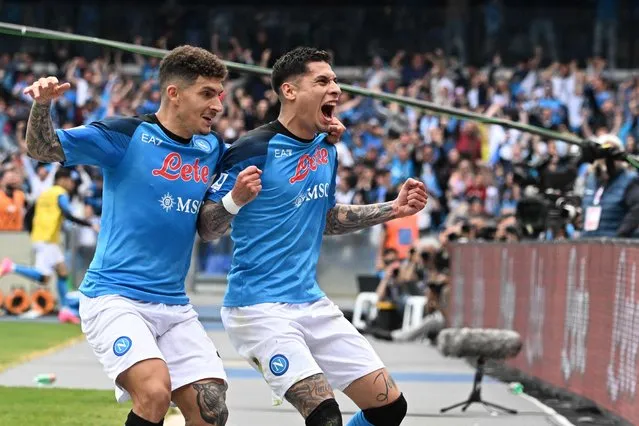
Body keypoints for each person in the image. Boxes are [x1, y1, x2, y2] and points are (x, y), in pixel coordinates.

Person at [15, 45, 257, 426]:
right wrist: (42, 103)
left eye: (220, 95)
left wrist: (235, 200)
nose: (218, 105)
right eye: (207, 94)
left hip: (174, 306)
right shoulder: (124, 135)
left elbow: (208, 229)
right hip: (115, 298)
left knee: (211, 411)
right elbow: (41, 147)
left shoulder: (212, 148)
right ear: (174, 93)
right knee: (154, 392)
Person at [198, 47, 428, 426]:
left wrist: (393, 209)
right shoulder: (252, 149)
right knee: (325, 416)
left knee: (389, 408)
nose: (335, 88)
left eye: (335, 80)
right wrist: (235, 200)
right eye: (323, 81)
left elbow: (327, 219)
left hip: (311, 301)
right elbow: (207, 228)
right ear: (289, 91)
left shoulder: (327, 150)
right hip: (258, 308)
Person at [1, 168, 96, 322]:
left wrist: (32, 231)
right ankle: (11, 266)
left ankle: (65, 310)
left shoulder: (45, 193)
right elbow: (68, 213)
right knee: (43, 277)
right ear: (62, 179)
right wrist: (89, 224)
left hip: (44, 238)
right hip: (47, 240)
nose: (72, 185)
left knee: (62, 272)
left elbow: (29, 214)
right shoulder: (59, 193)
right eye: (71, 181)